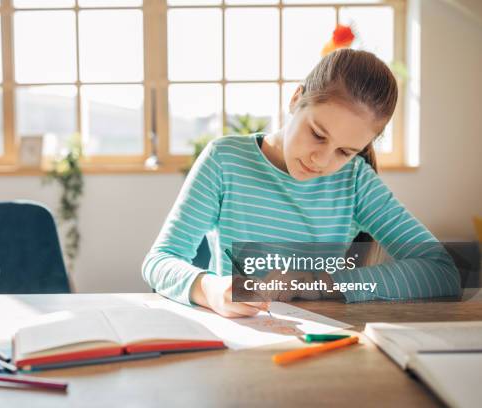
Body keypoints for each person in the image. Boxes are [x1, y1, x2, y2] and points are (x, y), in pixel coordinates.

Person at [142, 49, 460, 318]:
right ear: (297, 98)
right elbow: (160, 261)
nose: (321, 160)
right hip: (238, 343)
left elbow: (441, 272)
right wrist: (210, 289)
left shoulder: (356, 182)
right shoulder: (225, 160)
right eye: (318, 135)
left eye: (345, 151)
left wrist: (320, 283)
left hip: (325, 344)